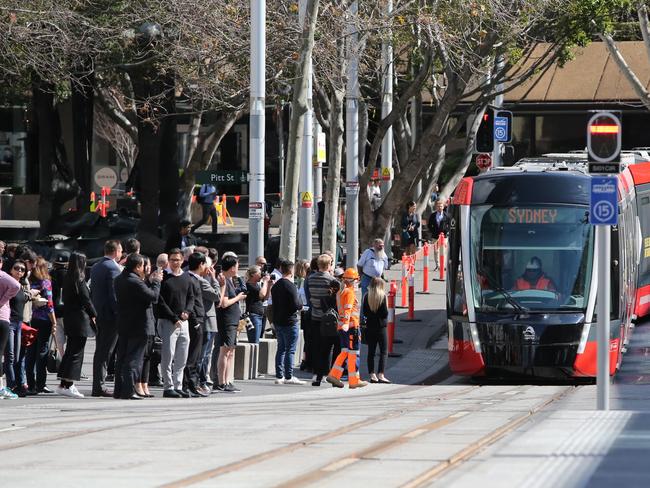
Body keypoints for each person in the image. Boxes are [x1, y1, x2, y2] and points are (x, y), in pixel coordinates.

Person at [114, 254, 162, 400]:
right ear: (138, 267)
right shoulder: (135, 282)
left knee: (121, 358)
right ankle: (128, 390)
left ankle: (119, 390)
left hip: (124, 323)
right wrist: (156, 282)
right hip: (139, 325)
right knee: (134, 359)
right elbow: (153, 297)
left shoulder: (119, 279)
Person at [156, 248, 195, 398]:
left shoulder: (186, 277)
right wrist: (174, 318)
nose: (175, 262)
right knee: (168, 355)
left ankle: (178, 385)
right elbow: (160, 301)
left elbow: (191, 297)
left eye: (177, 260)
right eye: (172, 260)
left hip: (184, 321)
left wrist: (187, 311)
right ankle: (168, 386)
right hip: (168, 321)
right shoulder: (164, 277)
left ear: (182, 260)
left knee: (182, 355)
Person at [57, 252, 97, 398]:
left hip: (70, 319)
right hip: (80, 320)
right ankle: (69, 384)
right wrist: (94, 314)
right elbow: (86, 300)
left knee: (70, 352)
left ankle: (63, 383)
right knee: (76, 353)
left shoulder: (68, 279)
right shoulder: (79, 280)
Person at [90, 240, 123, 397]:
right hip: (110, 316)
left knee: (100, 351)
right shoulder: (113, 268)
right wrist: (119, 313)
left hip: (99, 314)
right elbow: (114, 295)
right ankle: (99, 386)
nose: (122, 254)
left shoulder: (96, 266)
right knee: (106, 352)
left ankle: (98, 384)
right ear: (116, 252)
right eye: (121, 251)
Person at [326, 268, 368, 389]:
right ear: (353, 280)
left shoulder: (342, 292)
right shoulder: (349, 292)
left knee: (345, 352)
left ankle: (334, 375)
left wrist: (344, 324)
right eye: (356, 280)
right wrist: (346, 323)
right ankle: (354, 380)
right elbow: (348, 308)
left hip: (344, 328)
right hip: (351, 327)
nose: (357, 283)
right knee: (354, 353)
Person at [25, 257, 58, 395]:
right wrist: (54, 322)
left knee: (30, 352)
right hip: (44, 320)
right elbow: (49, 304)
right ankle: (41, 384)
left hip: (31, 319)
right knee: (42, 352)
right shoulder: (45, 282)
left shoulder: (29, 282)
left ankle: (30, 384)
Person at [304, 254, 338, 386]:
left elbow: (309, 297)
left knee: (317, 345)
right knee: (327, 347)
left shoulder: (310, 279)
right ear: (329, 265)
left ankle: (316, 373)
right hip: (328, 318)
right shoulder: (332, 281)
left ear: (318, 265)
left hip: (315, 315)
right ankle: (324, 373)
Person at [271, 260, 305, 385]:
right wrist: (301, 306)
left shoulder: (276, 285)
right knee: (290, 349)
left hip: (278, 320)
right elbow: (297, 304)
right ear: (291, 270)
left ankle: (279, 376)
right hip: (290, 321)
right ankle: (289, 376)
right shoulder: (290, 285)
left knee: (281, 349)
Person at [215, 255, 246, 392]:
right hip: (226, 320)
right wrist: (238, 298)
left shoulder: (230, 280)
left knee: (230, 351)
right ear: (232, 267)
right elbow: (224, 303)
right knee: (225, 350)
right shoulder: (224, 280)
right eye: (237, 265)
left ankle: (227, 380)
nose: (238, 268)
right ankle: (222, 381)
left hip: (232, 320)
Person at [184, 252, 211, 397]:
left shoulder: (193, 278)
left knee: (195, 354)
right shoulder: (192, 279)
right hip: (195, 321)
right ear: (200, 264)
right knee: (193, 355)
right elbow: (191, 303)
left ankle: (189, 384)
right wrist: (195, 322)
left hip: (197, 320)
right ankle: (191, 384)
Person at [5, 259, 29, 396]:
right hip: (9, 321)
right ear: (11, 269)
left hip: (19, 323)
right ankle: (11, 385)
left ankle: (18, 384)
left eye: (22, 269)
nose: (19, 271)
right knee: (10, 355)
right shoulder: (7, 283)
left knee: (18, 355)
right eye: (17, 268)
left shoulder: (21, 285)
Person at [135, 256, 157, 398]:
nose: (148, 268)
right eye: (145, 265)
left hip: (150, 320)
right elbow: (152, 297)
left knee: (148, 354)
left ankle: (145, 382)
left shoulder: (147, 281)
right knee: (141, 355)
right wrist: (155, 283)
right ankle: (137, 382)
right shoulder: (139, 282)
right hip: (140, 322)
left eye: (149, 265)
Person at [198, 256, 220, 391]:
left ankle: (202, 380)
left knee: (206, 354)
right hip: (206, 321)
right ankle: (200, 381)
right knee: (203, 354)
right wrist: (215, 279)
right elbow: (216, 295)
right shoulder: (203, 281)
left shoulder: (204, 279)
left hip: (210, 321)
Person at [0, 256, 20, 399]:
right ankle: (0, 388)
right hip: (2, 317)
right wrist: (4, 299)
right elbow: (16, 286)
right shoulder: (2, 275)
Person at [363, 278, 390, 384]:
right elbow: (385, 313)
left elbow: (365, 312)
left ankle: (372, 374)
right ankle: (381, 374)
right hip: (381, 327)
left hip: (370, 326)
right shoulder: (383, 296)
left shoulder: (366, 296)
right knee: (383, 351)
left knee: (371, 352)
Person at [357, 238, 389, 319]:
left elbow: (385, 267)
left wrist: (382, 276)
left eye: (382, 246)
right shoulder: (368, 253)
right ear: (374, 245)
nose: (381, 247)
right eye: (379, 246)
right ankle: (363, 317)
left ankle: (376, 315)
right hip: (367, 278)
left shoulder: (383, 255)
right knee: (365, 298)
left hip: (378, 280)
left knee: (378, 297)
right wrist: (361, 277)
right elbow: (359, 265)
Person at [245, 265, 270, 344]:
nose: (261, 275)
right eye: (259, 273)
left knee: (257, 341)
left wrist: (269, 285)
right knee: (254, 342)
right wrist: (265, 282)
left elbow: (264, 298)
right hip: (253, 316)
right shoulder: (249, 285)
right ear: (252, 274)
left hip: (259, 315)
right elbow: (261, 294)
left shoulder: (256, 285)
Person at [427, 199, 450, 270]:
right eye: (438, 206)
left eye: (441, 206)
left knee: (443, 251)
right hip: (435, 236)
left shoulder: (447, 215)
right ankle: (438, 265)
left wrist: (446, 231)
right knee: (436, 251)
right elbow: (429, 225)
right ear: (436, 207)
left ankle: (443, 265)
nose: (439, 207)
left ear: (443, 207)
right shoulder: (433, 215)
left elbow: (449, 225)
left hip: (444, 236)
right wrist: (432, 231)